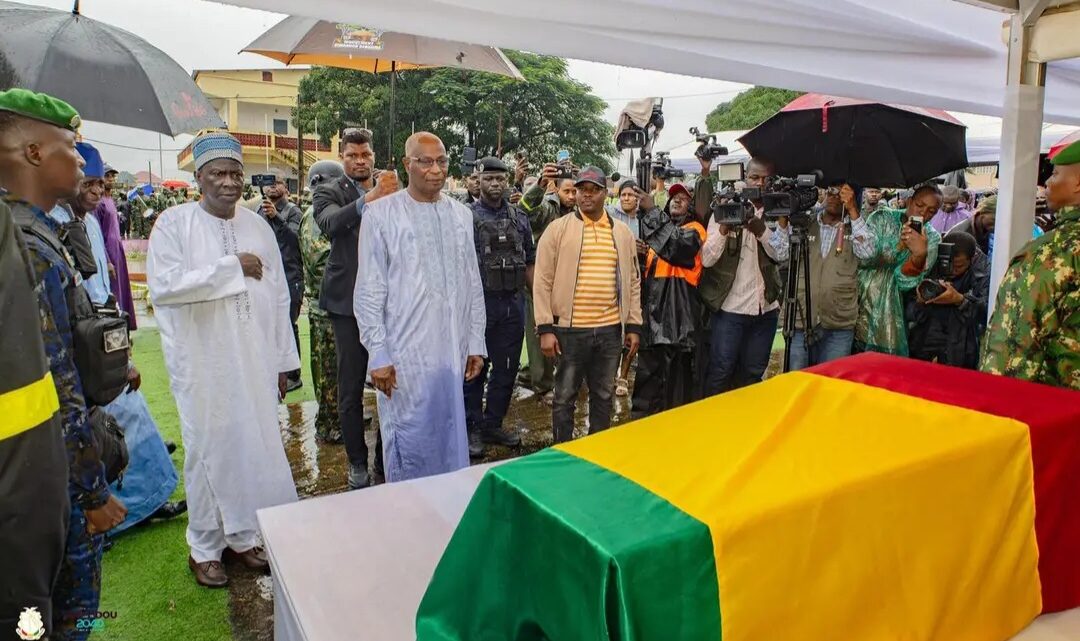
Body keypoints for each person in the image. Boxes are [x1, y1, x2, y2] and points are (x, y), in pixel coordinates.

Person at [146, 131, 300, 588]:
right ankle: (204, 547)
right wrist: (233, 268)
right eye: (218, 173)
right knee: (207, 451)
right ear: (199, 177)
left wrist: (281, 362)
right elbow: (166, 288)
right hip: (203, 362)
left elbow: (277, 298)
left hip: (254, 361)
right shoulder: (174, 225)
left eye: (236, 173)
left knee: (252, 442)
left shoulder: (258, 226)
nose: (230, 182)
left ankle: (244, 534)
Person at [0, 89, 127, 640]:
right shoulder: (23, 244)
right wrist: (93, 492)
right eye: (70, 147)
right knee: (64, 617)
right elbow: (55, 386)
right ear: (32, 153)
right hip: (52, 479)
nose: (81, 159)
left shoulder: (44, 231)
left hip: (52, 474)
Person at [354, 132, 487, 482]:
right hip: (403, 358)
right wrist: (378, 354)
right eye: (424, 161)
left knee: (450, 434)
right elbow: (369, 291)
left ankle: (448, 508)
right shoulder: (380, 214)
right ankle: (409, 518)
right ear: (406, 164)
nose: (435, 169)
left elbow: (472, 281)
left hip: (450, 350)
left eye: (441, 161)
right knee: (409, 440)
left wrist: (474, 343)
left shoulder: (461, 215)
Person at [312, 128, 399, 489]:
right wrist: (370, 198)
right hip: (347, 304)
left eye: (366, 155)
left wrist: (389, 194)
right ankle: (357, 463)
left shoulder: (392, 187)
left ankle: (385, 458)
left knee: (390, 382)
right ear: (342, 156)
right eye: (352, 155)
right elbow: (330, 224)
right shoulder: (329, 190)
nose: (360, 161)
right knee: (350, 388)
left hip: (388, 302)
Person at [534, 165, 642, 443]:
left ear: (606, 194)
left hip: (609, 329)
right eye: (582, 190)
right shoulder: (557, 230)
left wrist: (633, 325)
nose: (587, 196)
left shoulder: (622, 233)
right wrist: (545, 327)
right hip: (570, 330)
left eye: (594, 190)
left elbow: (632, 280)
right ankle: (563, 452)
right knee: (565, 396)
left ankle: (598, 451)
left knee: (604, 395)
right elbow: (542, 280)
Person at [0, 199, 68, 641]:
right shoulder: (22, 232)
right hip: (23, 483)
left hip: (38, 473)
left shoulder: (28, 227)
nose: (79, 159)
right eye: (68, 146)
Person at [981, 140, 1080, 390]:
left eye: (1055, 173)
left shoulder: (1052, 251)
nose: (1047, 182)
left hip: (1062, 414)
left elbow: (1013, 350)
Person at [463, 157, 533, 458]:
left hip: (512, 306)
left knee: (506, 371)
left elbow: (529, 260)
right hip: (478, 307)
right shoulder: (465, 218)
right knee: (474, 370)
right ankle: (472, 427)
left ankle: (493, 423)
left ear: (507, 182)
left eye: (500, 179)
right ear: (478, 180)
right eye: (488, 178)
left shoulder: (520, 218)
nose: (495, 184)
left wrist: (539, 303)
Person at [695, 157, 783, 395]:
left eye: (766, 179)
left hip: (765, 308)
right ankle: (714, 424)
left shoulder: (778, 209)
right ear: (745, 178)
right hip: (731, 309)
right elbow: (707, 259)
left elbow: (782, 253)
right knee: (720, 371)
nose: (760, 184)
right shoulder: (724, 206)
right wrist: (724, 227)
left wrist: (761, 230)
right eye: (755, 177)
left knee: (753, 373)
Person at [773, 184, 877, 369]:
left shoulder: (854, 227)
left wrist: (853, 210)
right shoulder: (804, 224)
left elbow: (868, 252)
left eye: (840, 193)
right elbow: (779, 254)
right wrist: (783, 218)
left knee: (829, 383)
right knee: (797, 383)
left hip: (839, 324)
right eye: (830, 191)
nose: (833, 196)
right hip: (800, 319)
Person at [631, 183, 705, 418]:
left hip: (678, 323)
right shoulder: (658, 232)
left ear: (691, 206)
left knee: (676, 394)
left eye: (683, 198)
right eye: (673, 197)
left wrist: (652, 212)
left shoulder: (695, 230)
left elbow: (679, 248)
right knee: (647, 388)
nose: (676, 200)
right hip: (651, 323)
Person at [855, 184, 942, 356]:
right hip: (858, 302)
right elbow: (864, 259)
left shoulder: (931, 239)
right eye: (920, 205)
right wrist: (899, 247)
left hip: (892, 319)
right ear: (909, 201)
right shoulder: (881, 217)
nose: (923, 213)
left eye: (931, 210)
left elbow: (905, 282)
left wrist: (919, 255)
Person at [518, 164, 578, 401]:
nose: (572, 196)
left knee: (566, 331)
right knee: (539, 332)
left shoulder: (579, 214)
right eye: (567, 192)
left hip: (568, 281)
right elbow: (526, 211)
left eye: (575, 191)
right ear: (557, 191)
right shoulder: (548, 207)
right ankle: (542, 386)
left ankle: (558, 376)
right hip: (540, 279)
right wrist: (541, 184)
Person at [300, 160, 345, 443]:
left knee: (342, 369)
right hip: (324, 307)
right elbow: (320, 260)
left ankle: (340, 413)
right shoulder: (314, 215)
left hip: (337, 305)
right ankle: (329, 424)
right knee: (329, 370)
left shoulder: (331, 212)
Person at [908, 231, 989, 369]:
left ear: (971, 259)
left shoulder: (982, 273)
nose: (952, 271)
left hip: (960, 346)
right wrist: (920, 300)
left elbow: (986, 313)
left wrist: (960, 300)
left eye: (958, 267)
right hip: (925, 338)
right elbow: (907, 308)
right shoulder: (931, 261)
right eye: (947, 265)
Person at [260, 172, 304, 392]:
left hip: (290, 275)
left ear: (285, 187)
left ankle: (294, 373)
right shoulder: (260, 211)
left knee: (289, 323)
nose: (271, 187)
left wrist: (277, 217)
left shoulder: (293, 211)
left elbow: (297, 240)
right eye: (268, 183)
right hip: (267, 277)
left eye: (276, 182)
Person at [605, 178, 644, 397]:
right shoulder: (609, 215)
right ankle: (610, 374)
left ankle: (624, 376)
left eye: (631, 195)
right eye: (624, 195)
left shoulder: (643, 219)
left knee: (632, 329)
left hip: (637, 281)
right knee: (613, 330)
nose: (627, 199)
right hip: (613, 280)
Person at [94, 164, 137, 329]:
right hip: (108, 253)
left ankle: (124, 325)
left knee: (121, 289)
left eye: (112, 176)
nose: (110, 179)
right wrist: (106, 260)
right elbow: (97, 234)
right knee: (113, 292)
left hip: (117, 249)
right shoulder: (98, 204)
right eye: (107, 176)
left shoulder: (110, 200)